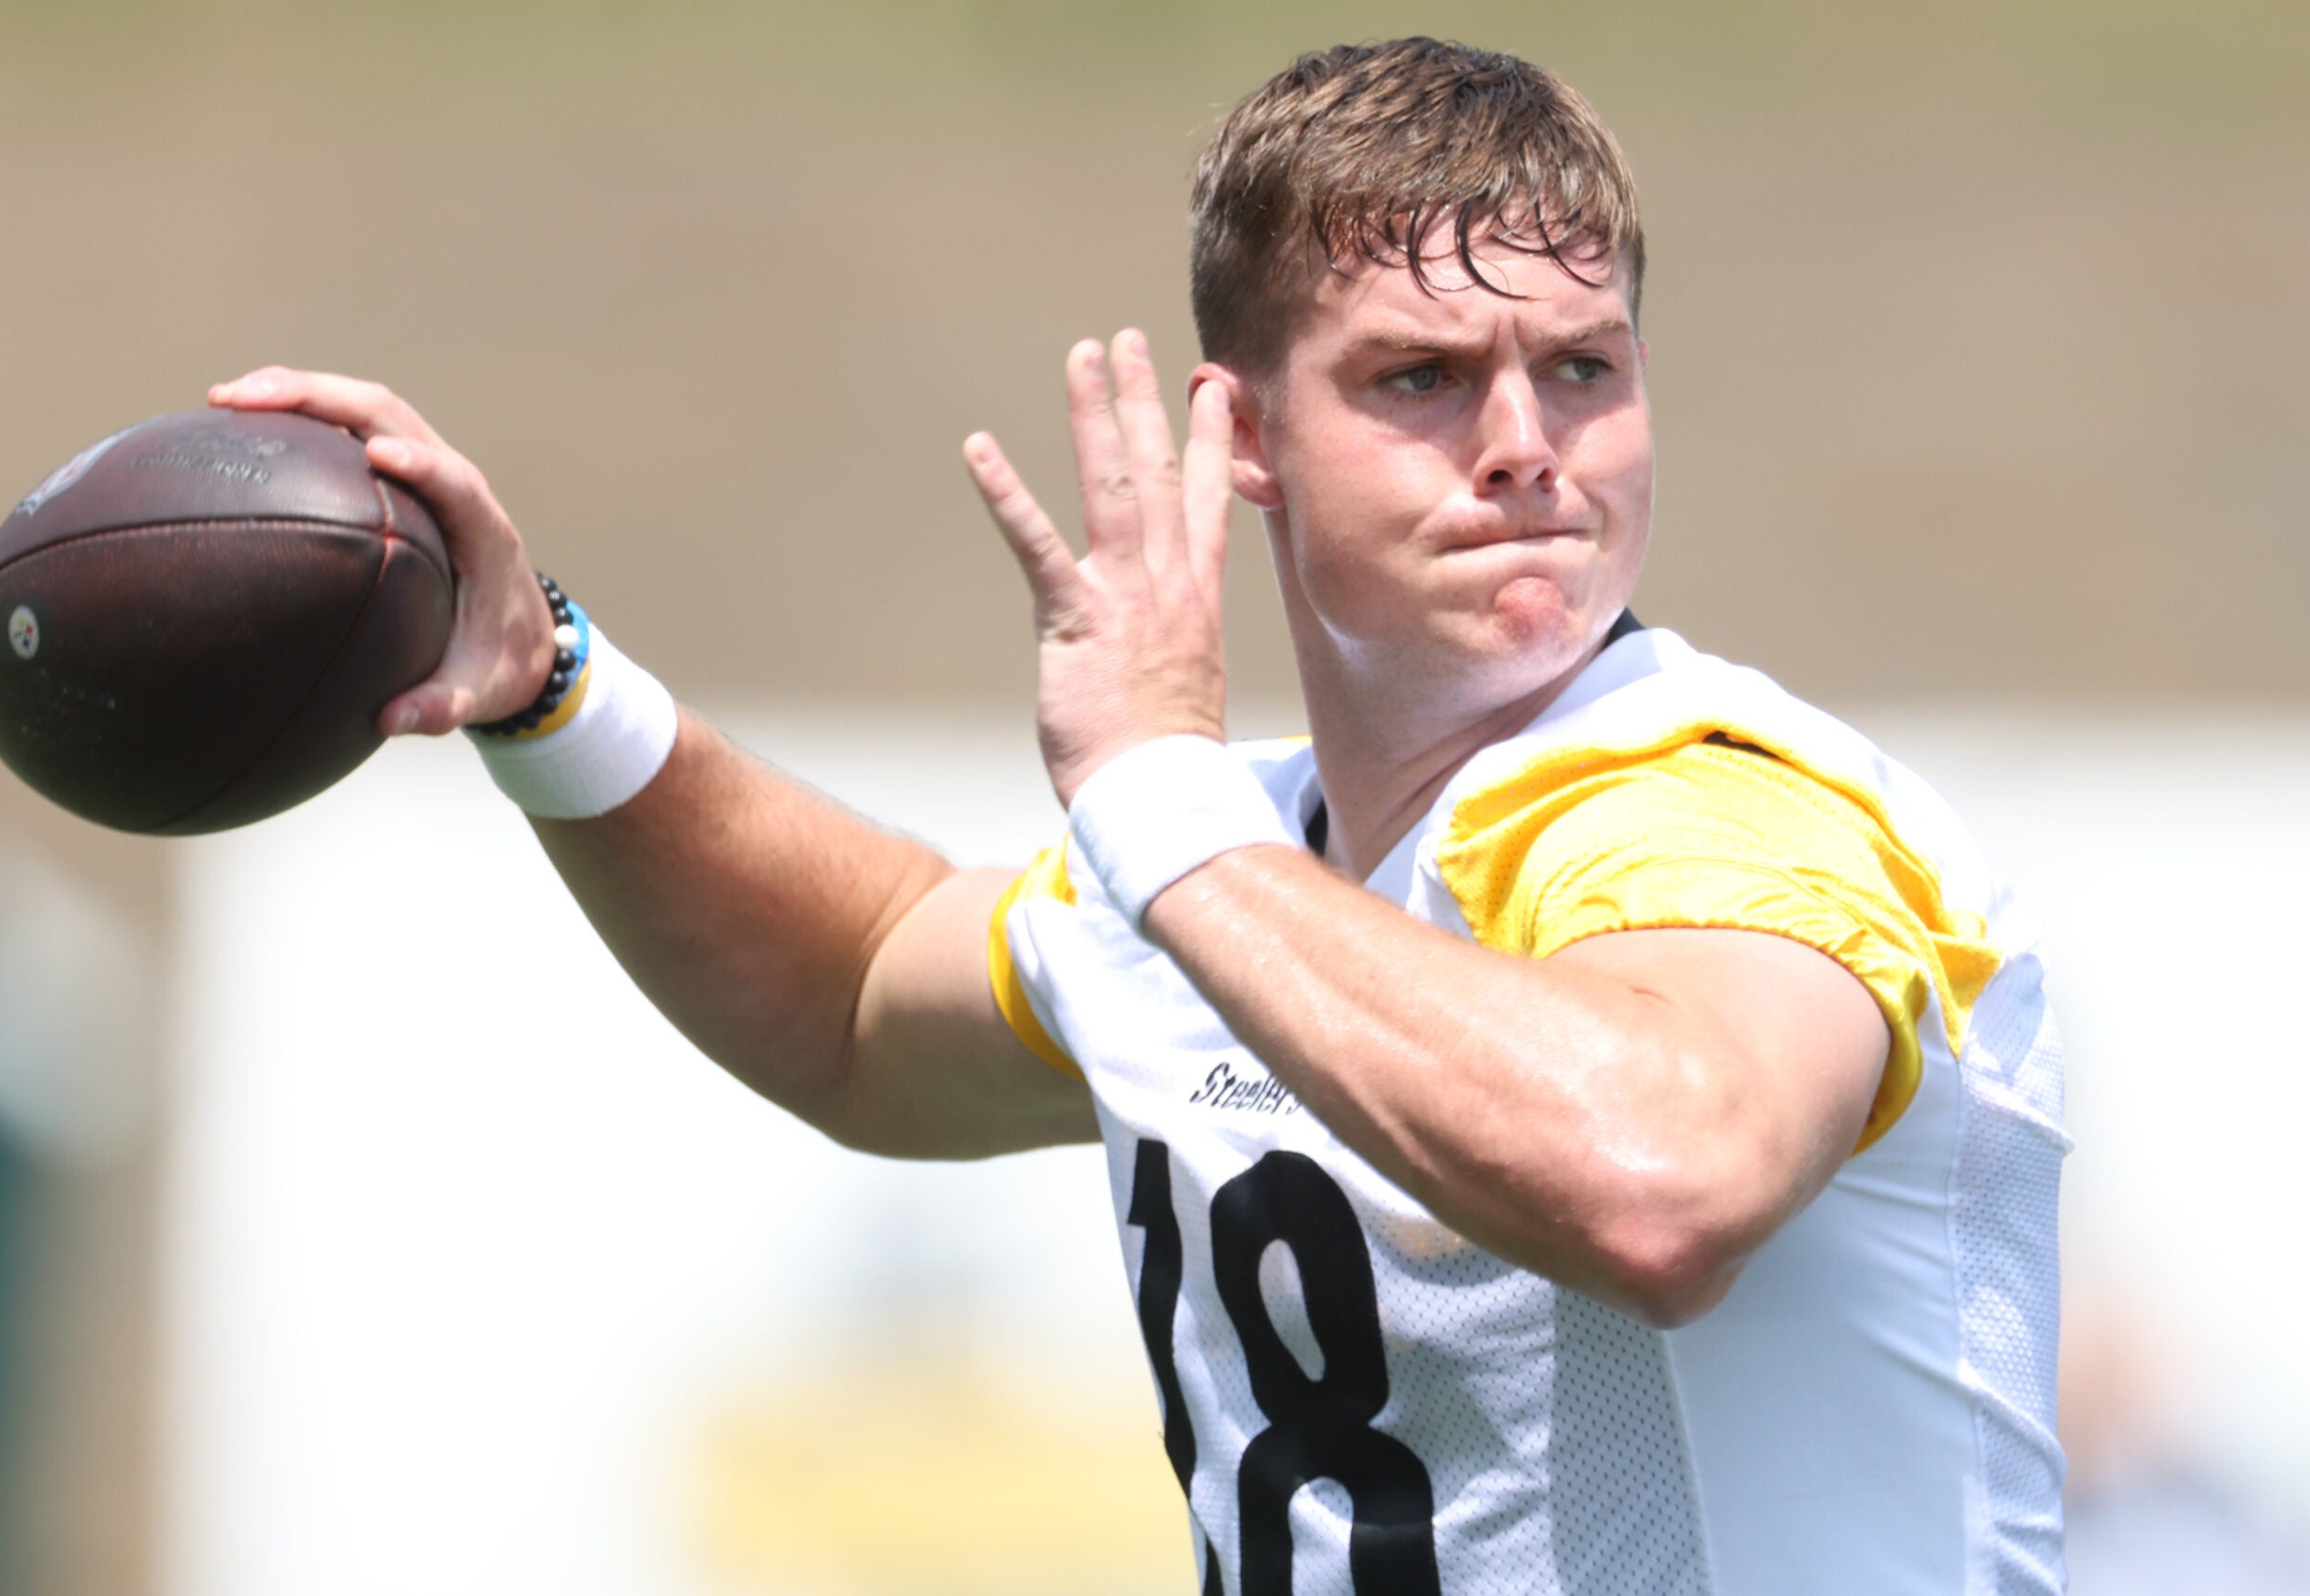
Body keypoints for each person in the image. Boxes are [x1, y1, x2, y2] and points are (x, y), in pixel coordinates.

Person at [210, 37, 2068, 1595]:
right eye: (1418, 378)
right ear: (1240, 438)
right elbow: (859, 993)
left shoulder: (1705, 802)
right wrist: (553, 693)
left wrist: (1152, 802)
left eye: (1580, 365)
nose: (1525, 442)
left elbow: (1665, 1180)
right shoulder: (1247, 866)